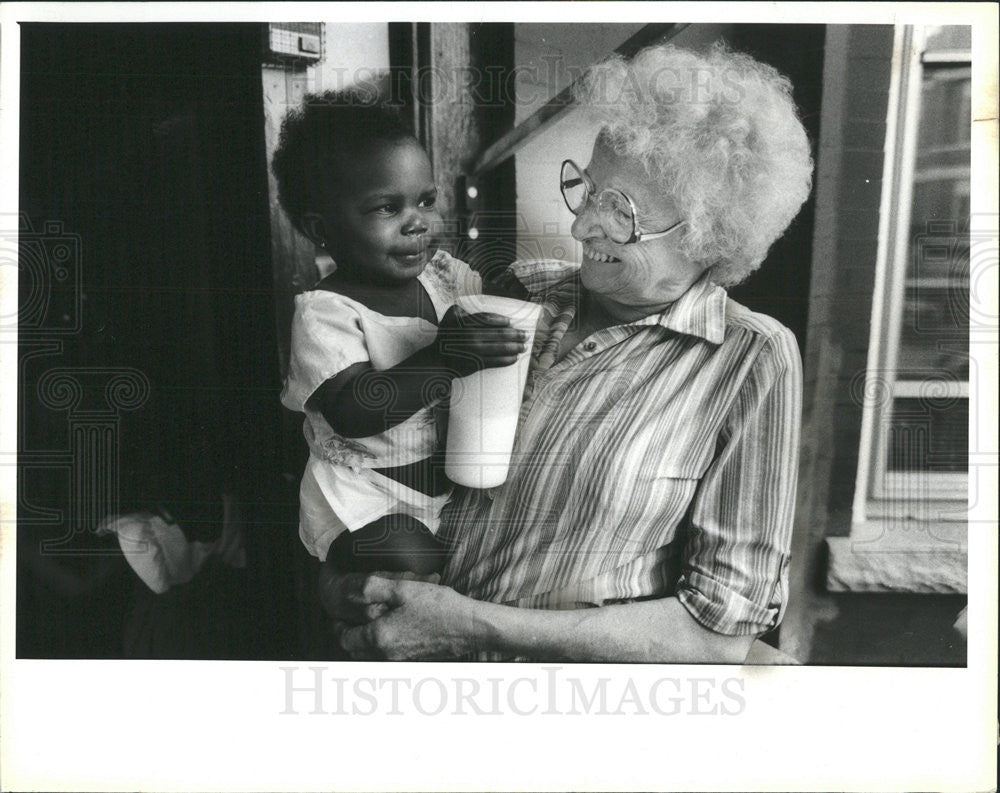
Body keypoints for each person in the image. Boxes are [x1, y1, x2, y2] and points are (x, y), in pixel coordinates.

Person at [320, 42, 813, 662]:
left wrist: (469, 624)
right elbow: (384, 451)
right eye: (589, 190)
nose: (582, 226)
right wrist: (345, 573)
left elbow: (721, 635)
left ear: (708, 230)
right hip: (415, 672)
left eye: (621, 213)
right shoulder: (521, 291)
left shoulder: (748, 359)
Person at [273, 88, 527, 577]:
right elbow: (352, 410)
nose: (417, 223)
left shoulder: (444, 275)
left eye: (426, 201)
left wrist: (513, 297)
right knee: (411, 554)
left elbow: (496, 299)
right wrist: (445, 358)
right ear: (320, 227)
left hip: (446, 488)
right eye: (386, 209)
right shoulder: (327, 313)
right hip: (366, 496)